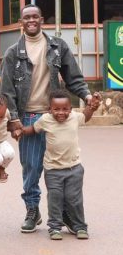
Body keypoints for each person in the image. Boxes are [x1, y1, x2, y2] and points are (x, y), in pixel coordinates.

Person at [0, 4, 93, 233]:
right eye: (26, 18)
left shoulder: (57, 46)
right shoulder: (13, 52)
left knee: (61, 168)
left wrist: (88, 95)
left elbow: (74, 77)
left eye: (35, 17)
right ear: (21, 23)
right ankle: (32, 209)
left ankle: (65, 214)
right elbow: (7, 90)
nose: (31, 20)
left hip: (55, 117)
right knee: (31, 168)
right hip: (28, 118)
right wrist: (13, 119)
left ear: (42, 19)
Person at [17, 89, 101, 240]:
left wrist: (92, 107)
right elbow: (33, 129)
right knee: (54, 199)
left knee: (74, 199)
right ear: (49, 109)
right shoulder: (45, 119)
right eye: (56, 109)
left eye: (65, 109)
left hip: (74, 168)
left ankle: (80, 226)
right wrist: (21, 130)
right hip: (53, 170)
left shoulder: (75, 117)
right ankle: (54, 227)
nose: (60, 112)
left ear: (70, 108)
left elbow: (86, 116)